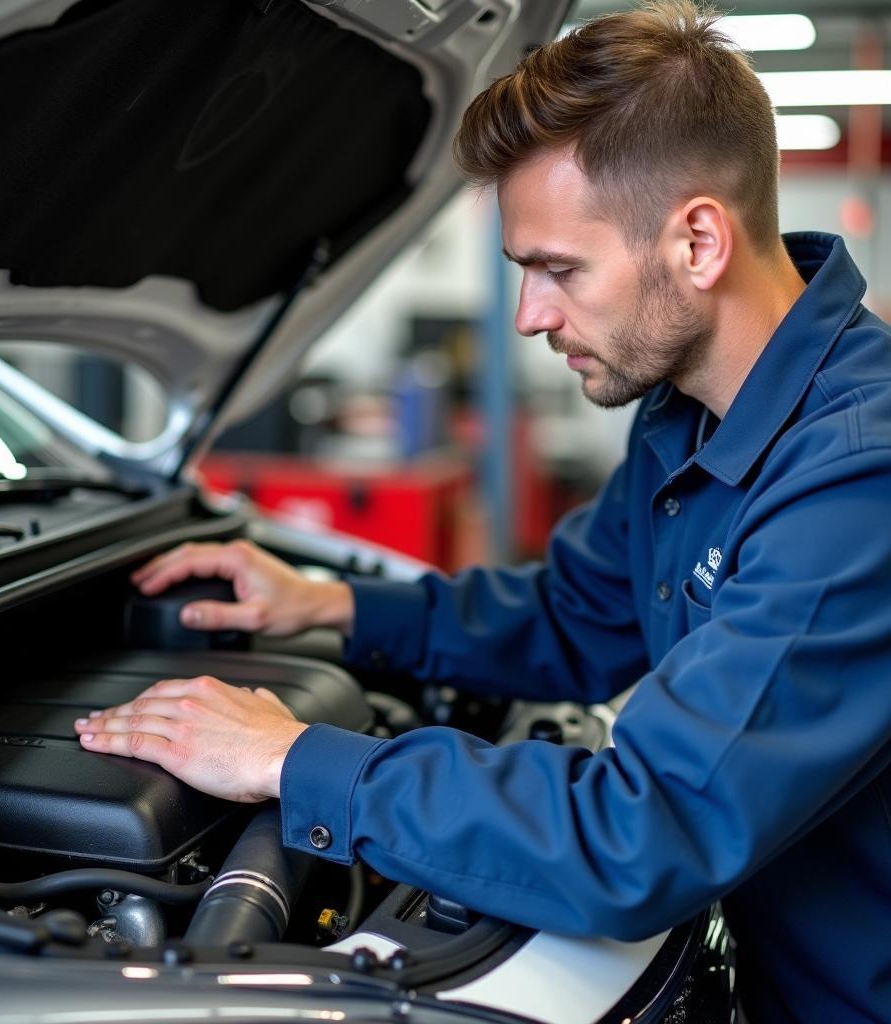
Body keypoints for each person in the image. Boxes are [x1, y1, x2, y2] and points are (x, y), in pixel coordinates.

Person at [73, 3, 891, 1020]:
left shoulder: (859, 478)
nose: (529, 316)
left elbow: (642, 833)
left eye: (558, 269)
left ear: (696, 241)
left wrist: (291, 758)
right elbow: (572, 617)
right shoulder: (688, 413)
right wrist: (328, 607)